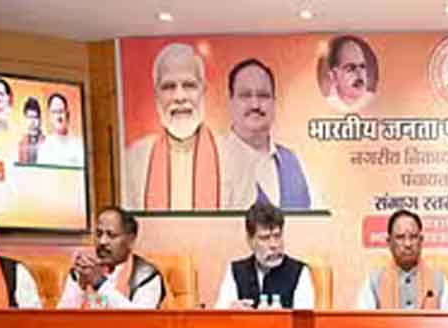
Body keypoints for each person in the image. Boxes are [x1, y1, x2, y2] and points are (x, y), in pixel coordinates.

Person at [124, 43, 221, 210]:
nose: (179, 97)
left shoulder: (231, 156)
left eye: (189, 85)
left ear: (203, 90)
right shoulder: (134, 159)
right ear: (156, 95)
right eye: (169, 87)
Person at [220, 58, 311, 210]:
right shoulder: (216, 160)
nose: (255, 105)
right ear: (231, 101)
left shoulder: (290, 162)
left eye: (263, 95)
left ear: (274, 102)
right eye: (245, 95)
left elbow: (306, 221)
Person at [57, 207, 165, 309]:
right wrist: (80, 287)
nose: (102, 241)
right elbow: (61, 318)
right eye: (99, 234)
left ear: (130, 240)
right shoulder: (84, 269)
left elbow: (138, 319)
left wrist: (100, 283)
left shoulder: (146, 275)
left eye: (111, 235)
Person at [214, 202, 314, 309]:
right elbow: (220, 315)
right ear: (250, 240)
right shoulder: (235, 271)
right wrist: (232, 311)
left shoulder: (300, 272)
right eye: (265, 238)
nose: (274, 245)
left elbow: (304, 317)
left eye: (277, 236)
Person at [355, 209, 448, 310]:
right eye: (400, 237)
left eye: (413, 237)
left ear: (421, 241)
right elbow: (362, 319)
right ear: (389, 242)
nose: (408, 244)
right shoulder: (374, 281)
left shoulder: (439, 281)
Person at [325, 35, 376, 112]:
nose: (359, 73)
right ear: (334, 76)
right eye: (351, 68)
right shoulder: (325, 105)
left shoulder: (374, 100)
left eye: (362, 66)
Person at [38, 93, 85, 167]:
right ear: (49, 116)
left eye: (61, 111)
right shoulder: (44, 148)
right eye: (54, 112)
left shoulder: (79, 145)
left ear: (67, 114)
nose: (58, 117)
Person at [18, 97, 43, 165]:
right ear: (25, 119)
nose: (32, 121)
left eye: (35, 117)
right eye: (29, 117)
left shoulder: (47, 143)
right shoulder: (21, 144)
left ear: (40, 119)